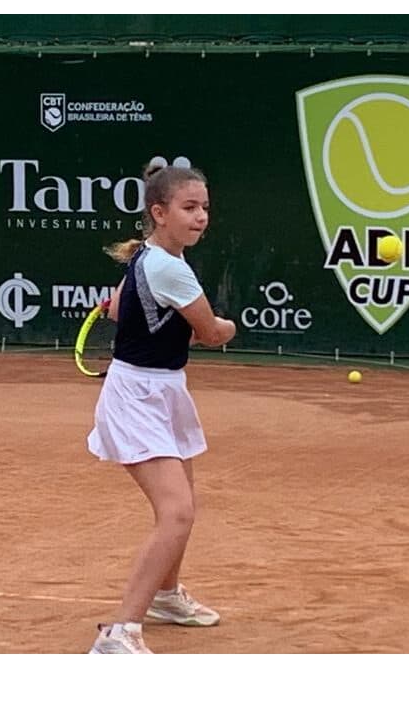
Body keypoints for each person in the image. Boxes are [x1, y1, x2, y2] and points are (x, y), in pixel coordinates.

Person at [86, 160, 236, 654]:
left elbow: (122, 305)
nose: (201, 217)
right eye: (189, 208)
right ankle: (120, 633)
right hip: (138, 397)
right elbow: (210, 334)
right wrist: (230, 327)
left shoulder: (150, 257)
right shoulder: (169, 268)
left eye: (205, 208)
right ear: (159, 212)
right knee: (176, 513)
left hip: (164, 390)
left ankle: (166, 596)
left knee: (181, 505)